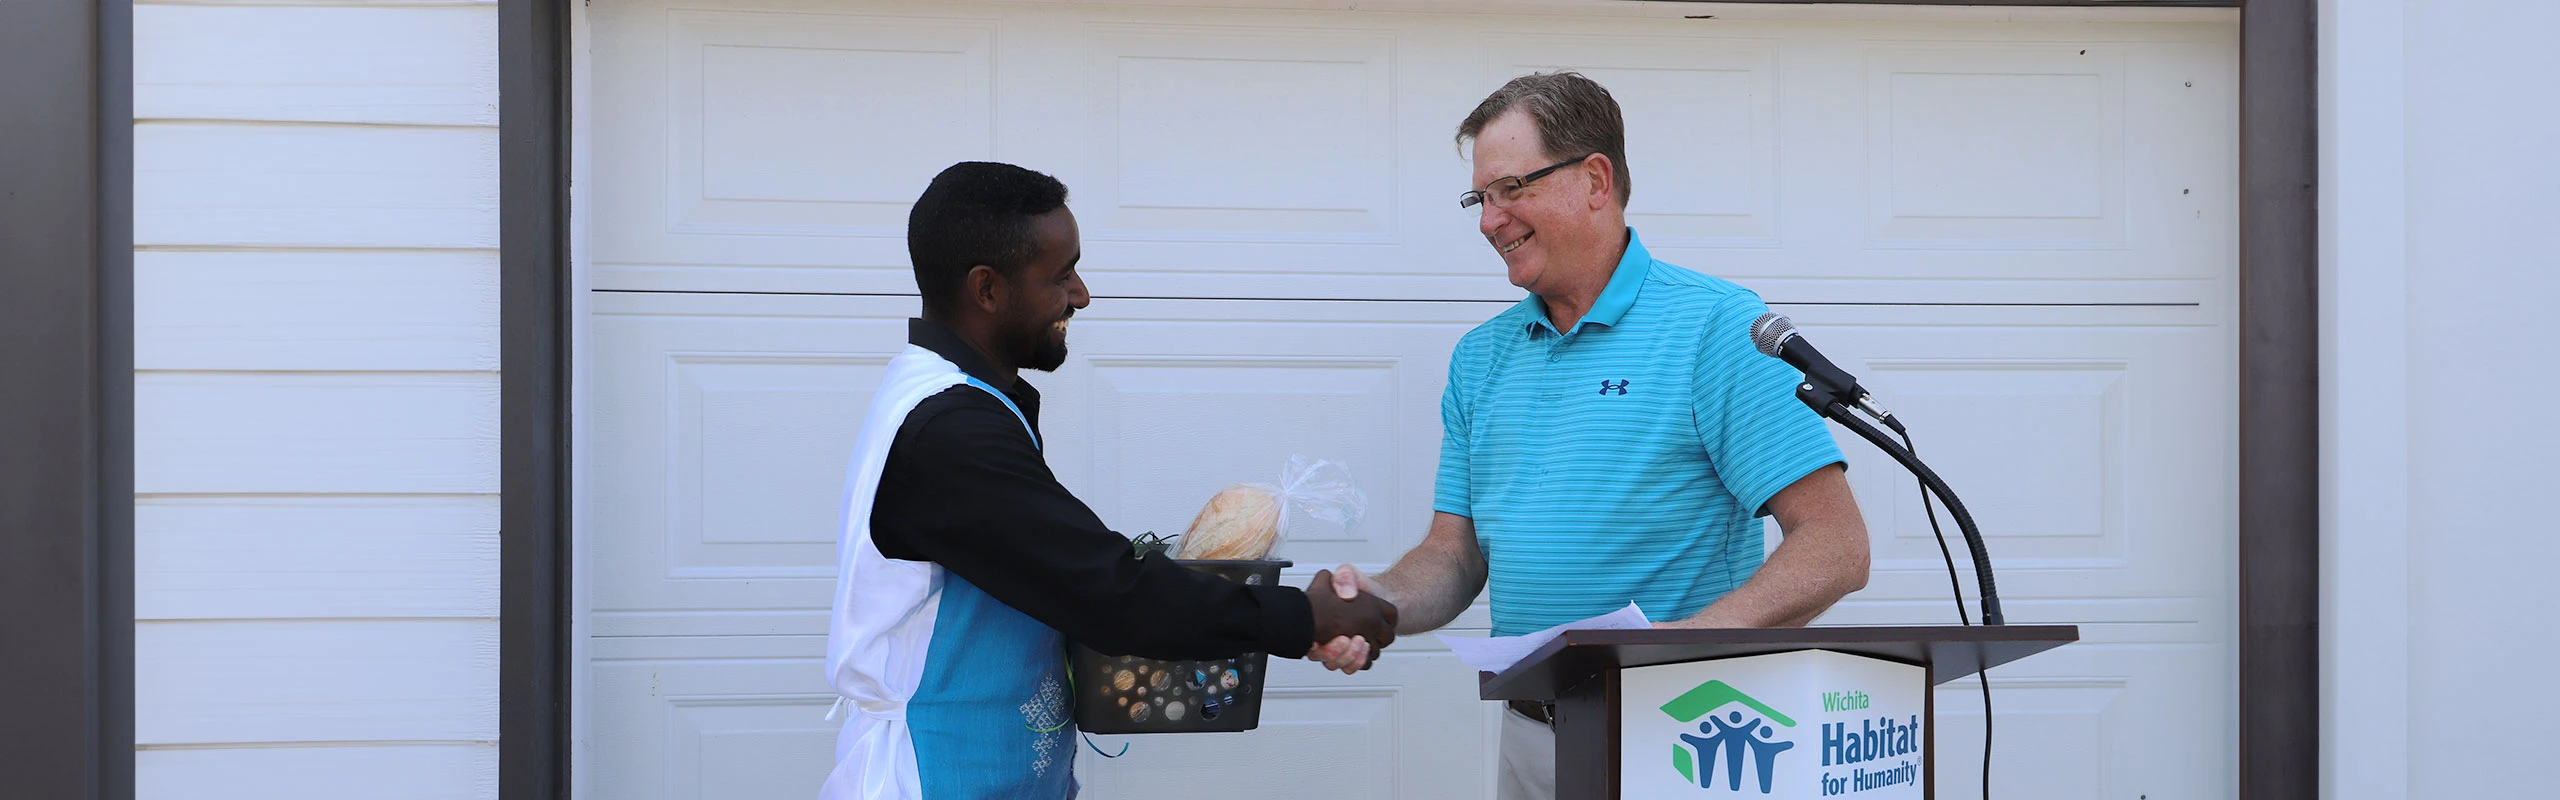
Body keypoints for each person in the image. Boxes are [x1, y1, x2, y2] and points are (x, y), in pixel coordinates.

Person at [1314, 72, 1872, 799]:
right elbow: (1454, 554)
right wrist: (1377, 602)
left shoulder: (1715, 327)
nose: (1489, 221)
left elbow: (1836, 546)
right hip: (1530, 734)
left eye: (1510, 189)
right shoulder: (1480, 358)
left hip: (1682, 731)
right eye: (1480, 199)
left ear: (1595, 181)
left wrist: (1679, 647)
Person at [822, 161, 1398, 800]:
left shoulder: (968, 403)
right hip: (926, 777)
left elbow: (1063, 575)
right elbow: (1107, 591)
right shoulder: (948, 429)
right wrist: (1304, 615)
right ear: (987, 289)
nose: (1081, 294)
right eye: (1061, 274)